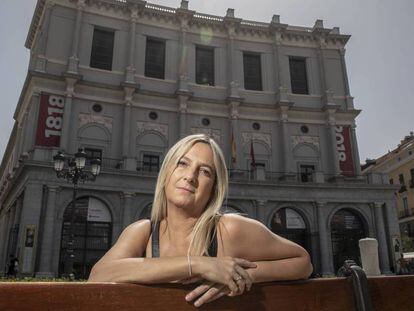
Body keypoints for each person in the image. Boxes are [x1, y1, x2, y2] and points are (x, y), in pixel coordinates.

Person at [88, 134, 312, 307]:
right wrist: (198, 264)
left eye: (204, 171)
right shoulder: (142, 231)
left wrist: (240, 275)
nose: (190, 176)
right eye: (182, 164)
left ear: (214, 188)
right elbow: (98, 276)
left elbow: (303, 261)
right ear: (167, 172)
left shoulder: (228, 229)